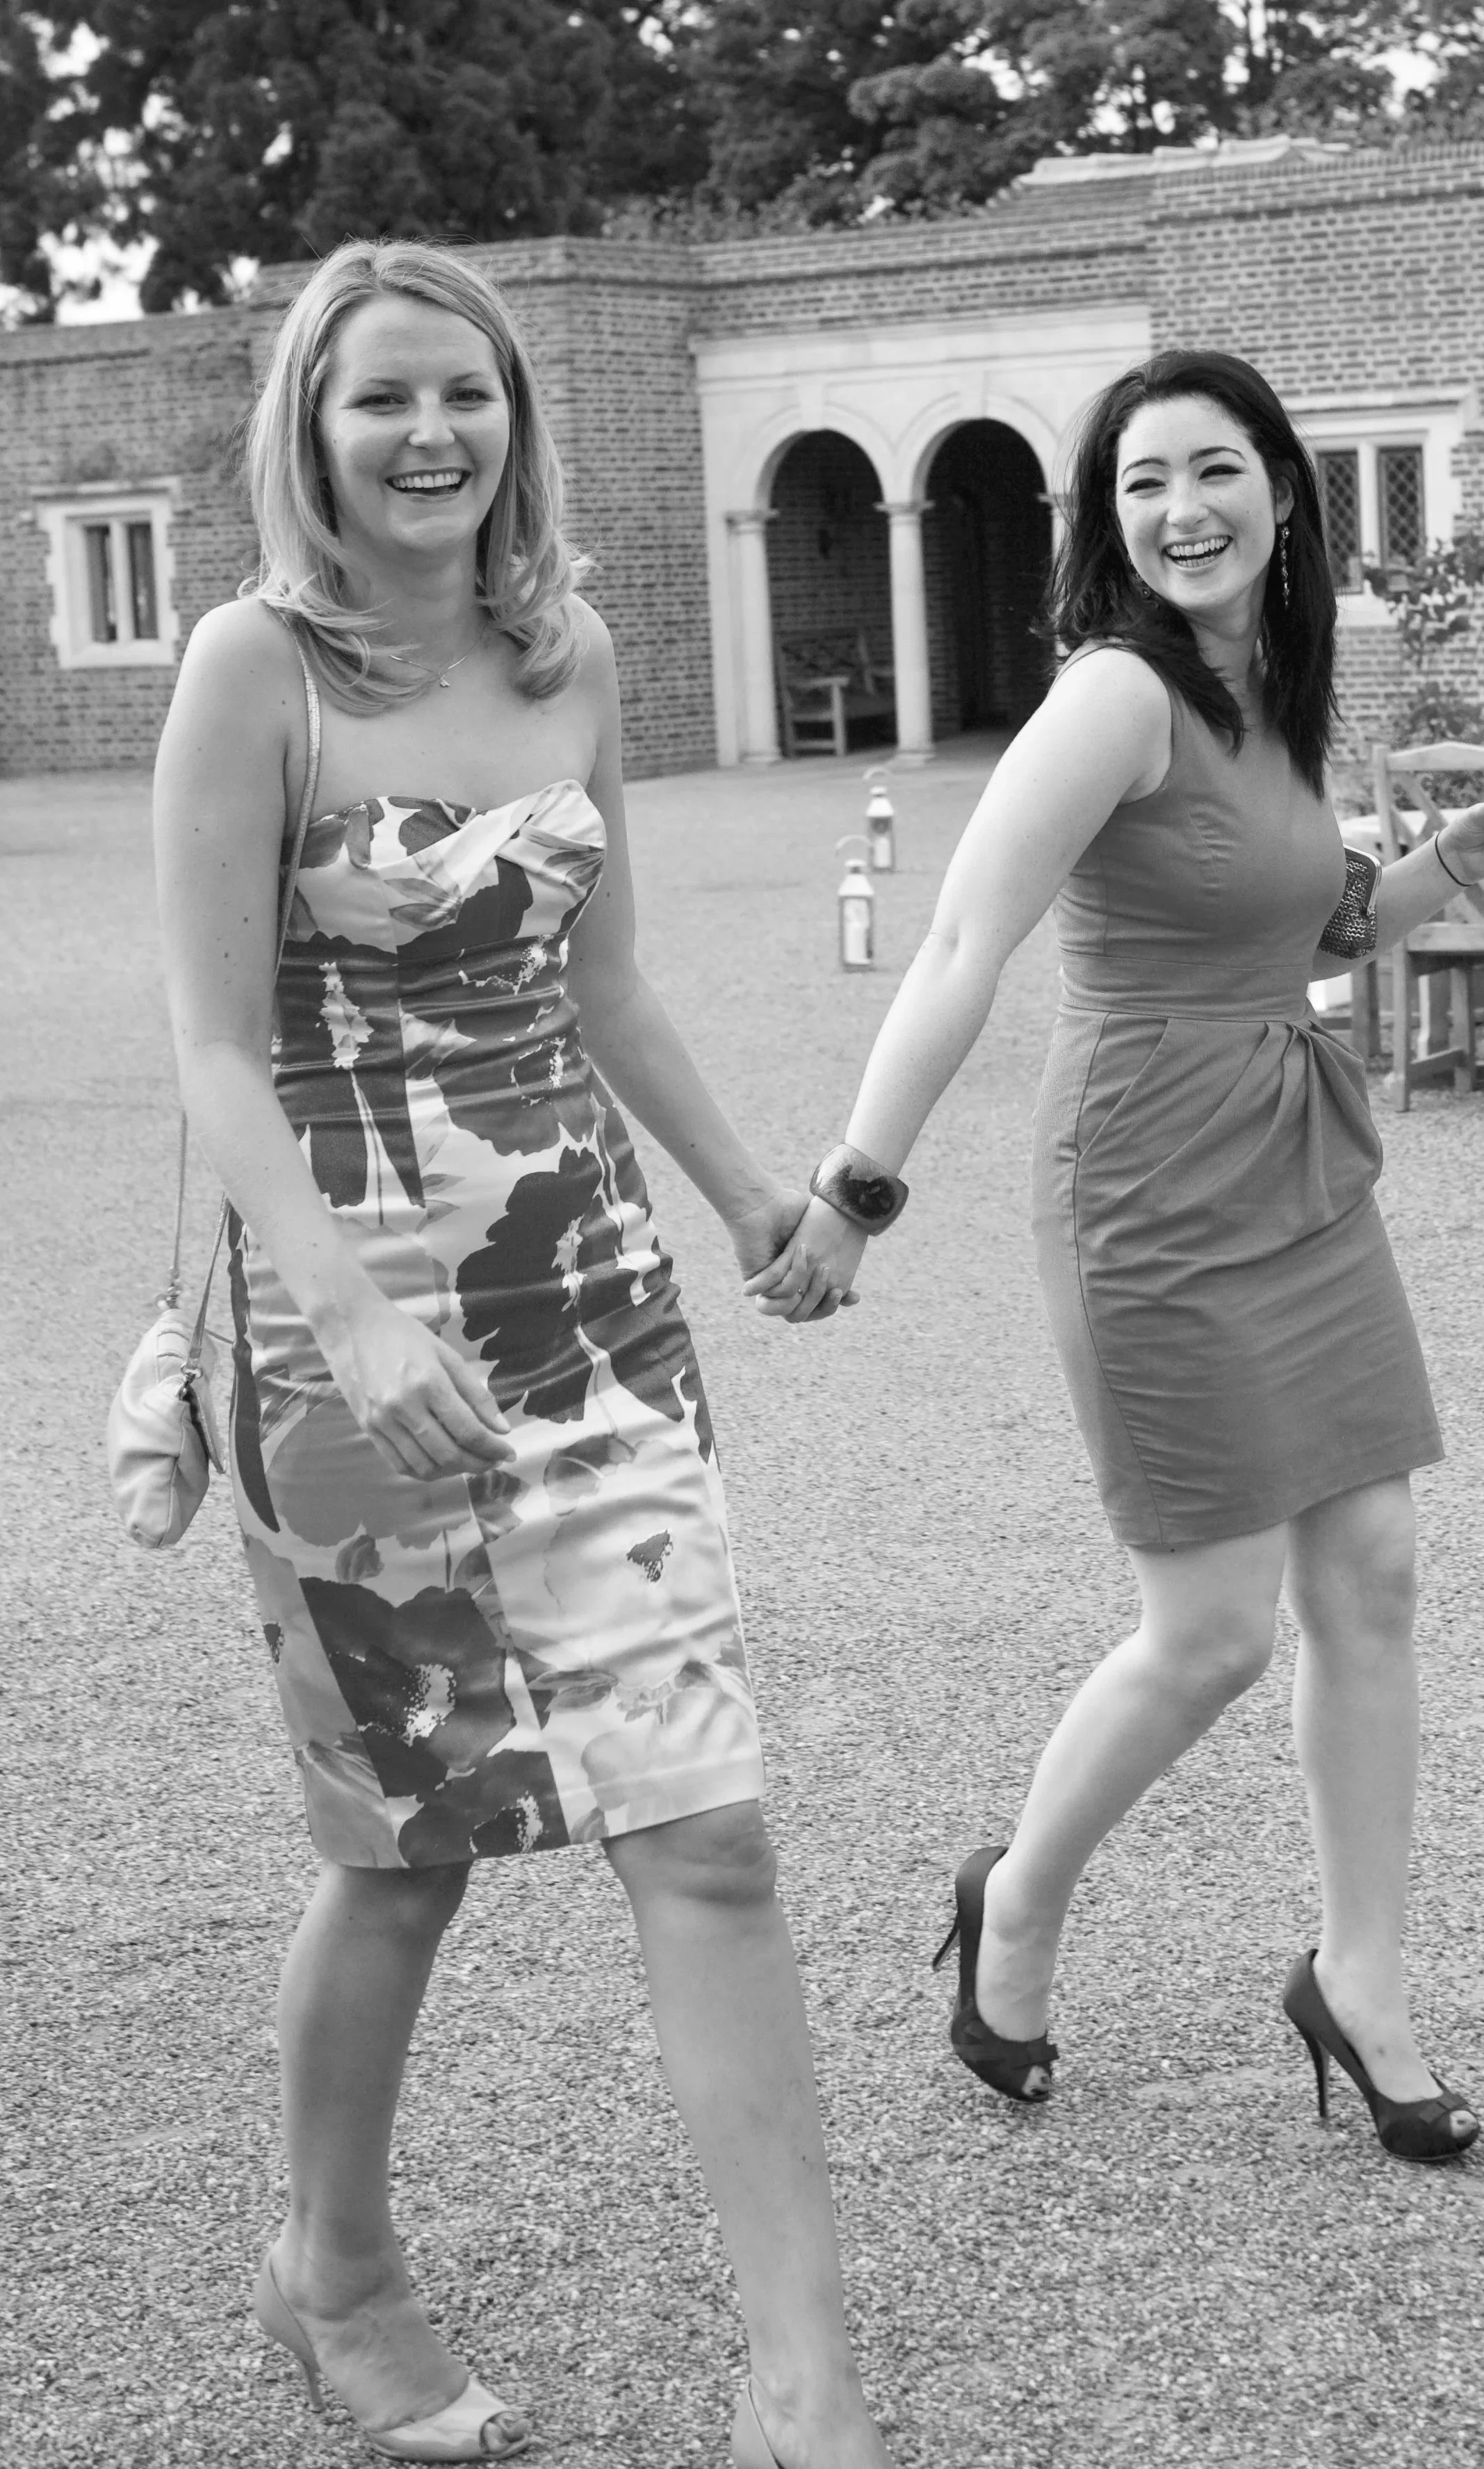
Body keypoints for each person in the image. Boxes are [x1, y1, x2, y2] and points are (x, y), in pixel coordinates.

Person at [152, 238, 885, 2469]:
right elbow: (207, 1053)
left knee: (712, 1835)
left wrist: (756, 1194)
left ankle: (806, 2387)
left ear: (515, 417)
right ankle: (334, 2267)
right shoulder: (252, 669)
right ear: (312, 426)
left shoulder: (569, 660)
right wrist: (355, 1312)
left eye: (462, 394)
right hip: (345, 1346)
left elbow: (610, 989)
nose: (430, 436)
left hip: (594, 1317)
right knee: (412, 1845)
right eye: (379, 400)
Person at [751, 348, 1484, 2166]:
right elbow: (963, 938)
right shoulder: (1114, 695)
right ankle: (1018, 1902)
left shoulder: (1269, 684)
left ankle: (1361, 1975)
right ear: (1107, 523)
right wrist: (855, 1192)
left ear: (1282, 489)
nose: (1183, 510)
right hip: (1146, 1195)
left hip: (1298, 1165)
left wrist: (1476, 843)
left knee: (1371, 1583)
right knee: (1205, 1634)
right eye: (1142, 483)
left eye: (1214, 471)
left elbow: (1329, 917)